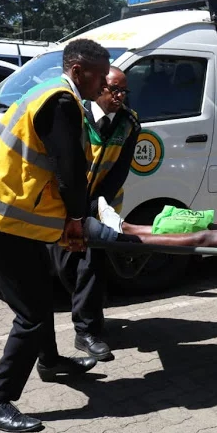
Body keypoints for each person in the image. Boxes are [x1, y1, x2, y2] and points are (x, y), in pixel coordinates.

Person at [0, 39, 111, 433]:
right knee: (32, 315)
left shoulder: (46, 91)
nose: (104, 83)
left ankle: (50, 362)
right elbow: (69, 170)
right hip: (3, 219)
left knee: (41, 293)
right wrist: (76, 219)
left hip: (5, 213)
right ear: (78, 71)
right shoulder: (61, 102)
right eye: (100, 76)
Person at [48, 66, 140, 362]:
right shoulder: (74, 114)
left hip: (100, 206)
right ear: (99, 88)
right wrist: (73, 207)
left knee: (91, 264)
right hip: (61, 204)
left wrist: (94, 207)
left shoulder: (129, 123)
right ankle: (90, 312)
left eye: (124, 91)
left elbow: (120, 171)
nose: (119, 96)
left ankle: (87, 331)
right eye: (114, 89)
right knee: (66, 266)